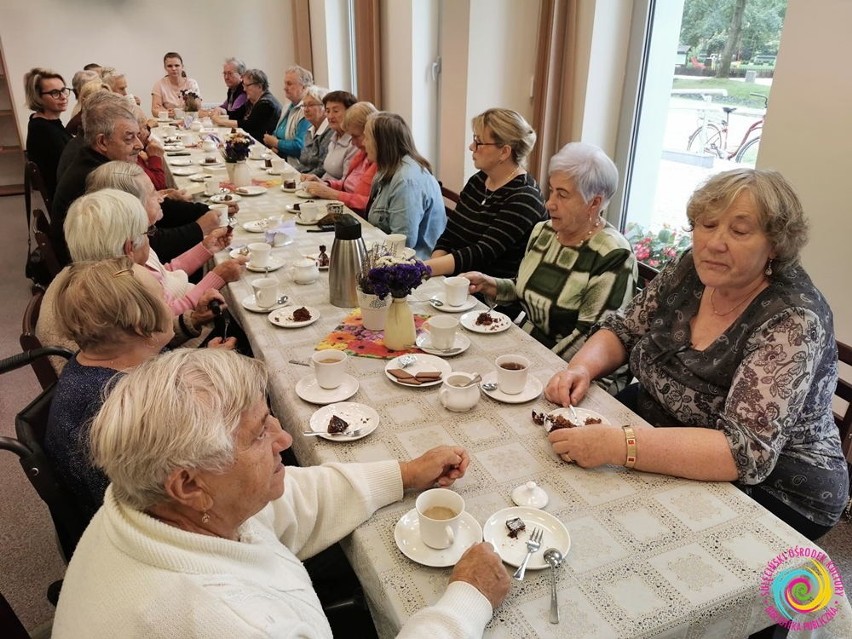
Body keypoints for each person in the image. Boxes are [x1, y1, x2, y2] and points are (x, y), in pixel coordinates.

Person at [52, 349, 509, 637]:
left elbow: (286, 501)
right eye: (257, 434)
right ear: (189, 484)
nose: (284, 439)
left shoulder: (159, 503)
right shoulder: (224, 620)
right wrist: (465, 602)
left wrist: (404, 474)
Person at [544, 168, 849, 540]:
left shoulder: (794, 318)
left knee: (631, 538)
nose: (714, 243)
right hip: (661, 421)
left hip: (779, 485)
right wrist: (581, 368)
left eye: (738, 231)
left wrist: (617, 445)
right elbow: (625, 328)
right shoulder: (693, 266)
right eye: (706, 225)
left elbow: (743, 452)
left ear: (775, 244)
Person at [463, 142, 636, 364]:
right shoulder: (544, 231)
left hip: (579, 371)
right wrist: (491, 284)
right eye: (552, 190)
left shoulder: (612, 256)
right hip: (528, 346)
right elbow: (526, 288)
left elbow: (589, 339)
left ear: (594, 203)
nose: (549, 203)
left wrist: (527, 364)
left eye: (562, 195)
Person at [44, 258, 175, 520]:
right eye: (164, 296)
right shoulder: (117, 410)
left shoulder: (95, 362)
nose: (171, 303)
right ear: (140, 325)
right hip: (141, 529)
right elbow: (158, 506)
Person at [83, 166, 245, 314]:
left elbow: (165, 272)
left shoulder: (135, 239)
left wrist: (205, 248)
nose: (162, 198)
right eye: (153, 193)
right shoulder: (132, 261)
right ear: (133, 204)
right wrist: (218, 277)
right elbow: (168, 315)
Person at [427, 108, 547, 278]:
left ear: (504, 152)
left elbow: (481, 253)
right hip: (456, 285)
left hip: (491, 297)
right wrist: (435, 276)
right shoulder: (478, 180)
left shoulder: (525, 197)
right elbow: (449, 237)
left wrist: (422, 270)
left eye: (479, 142)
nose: (471, 147)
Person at [363, 112, 446, 258]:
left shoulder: (405, 181)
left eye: (367, 138)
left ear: (381, 143)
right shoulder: (388, 169)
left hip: (414, 264)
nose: (363, 143)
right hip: (386, 254)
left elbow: (403, 243)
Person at [301, 101, 377, 215]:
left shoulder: (378, 160)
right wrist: (325, 184)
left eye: (356, 136)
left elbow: (371, 205)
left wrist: (332, 194)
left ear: (369, 132)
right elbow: (346, 184)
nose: (353, 142)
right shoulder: (362, 154)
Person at [23, 67, 73, 201]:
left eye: (63, 90)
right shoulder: (43, 130)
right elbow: (68, 169)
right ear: (38, 97)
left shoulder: (48, 122)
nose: (63, 97)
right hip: (66, 199)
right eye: (55, 93)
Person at [212, 68, 281, 142]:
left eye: (247, 86)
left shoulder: (266, 104)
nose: (244, 89)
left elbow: (248, 125)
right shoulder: (252, 100)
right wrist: (223, 111)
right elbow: (237, 115)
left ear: (259, 86)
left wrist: (220, 121)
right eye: (243, 85)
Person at [262, 65, 312, 160]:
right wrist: (273, 144)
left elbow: (299, 146)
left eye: (289, 84)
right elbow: (277, 133)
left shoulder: (307, 111)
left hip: (296, 164)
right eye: (285, 84)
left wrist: (276, 143)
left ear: (304, 87)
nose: (285, 88)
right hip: (280, 158)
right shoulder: (288, 105)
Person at [289, 85, 331, 176]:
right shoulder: (309, 131)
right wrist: (293, 173)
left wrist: (301, 177)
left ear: (324, 108)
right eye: (304, 105)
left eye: (311, 105)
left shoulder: (330, 132)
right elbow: (303, 163)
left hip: (316, 182)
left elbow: (322, 169)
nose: (306, 110)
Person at [317, 89, 358, 180]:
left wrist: (322, 185)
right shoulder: (334, 138)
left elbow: (346, 184)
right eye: (327, 111)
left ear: (349, 112)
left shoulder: (354, 142)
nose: (330, 116)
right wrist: (316, 180)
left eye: (335, 111)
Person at [151, 52, 201, 117]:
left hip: (189, 120)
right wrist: (167, 112)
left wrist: (178, 112)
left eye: (177, 65)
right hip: (168, 123)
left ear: (182, 67)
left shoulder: (192, 83)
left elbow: (197, 107)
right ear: (165, 68)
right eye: (170, 66)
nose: (173, 69)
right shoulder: (159, 85)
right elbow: (155, 110)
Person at [203, 58, 248, 122]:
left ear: (241, 75)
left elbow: (234, 115)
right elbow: (224, 106)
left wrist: (221, 111)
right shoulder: (232, 89)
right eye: (224, 73)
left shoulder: (243, 91)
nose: (226, 77)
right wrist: (211, 110)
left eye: (230, 73)